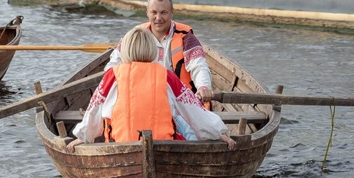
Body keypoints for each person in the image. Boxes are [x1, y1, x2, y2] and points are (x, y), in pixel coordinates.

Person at [67, 27, 235, 152]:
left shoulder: (112, 75)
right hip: (164, 148)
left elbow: (94, 109)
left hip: (121, 147)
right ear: (152, 49)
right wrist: (216, 133)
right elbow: (193, 110)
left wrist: (83, 137)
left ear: (125, 50)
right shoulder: (167, 75)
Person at [105, 0, 214, 103]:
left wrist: (203, 87)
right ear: (147, 12)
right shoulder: (135, 35)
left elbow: (199, 66)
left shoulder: (186, 37)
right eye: (154, 12)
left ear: (172, 13)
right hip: (141, 99)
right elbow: (114, 64)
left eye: (163, 12)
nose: (158, 18)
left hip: (179, 101)